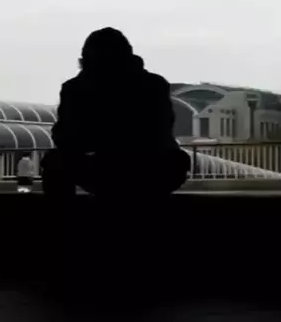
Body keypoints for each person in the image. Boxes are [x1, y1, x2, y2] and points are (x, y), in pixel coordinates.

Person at [42, 27, 191, 199]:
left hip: (101, 169)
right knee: (173, 161)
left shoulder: (75, 89)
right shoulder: (154, 84)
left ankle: (61, 213)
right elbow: (160, 130)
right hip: (153, 168)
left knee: (55, 161)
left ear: (86, 61)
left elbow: (65, 137)